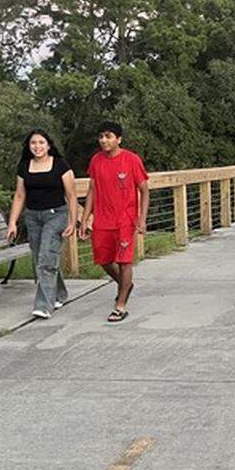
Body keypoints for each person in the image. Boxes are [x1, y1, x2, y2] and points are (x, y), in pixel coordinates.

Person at [78, 121, 149, 322]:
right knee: (104, 260)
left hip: (125, 220)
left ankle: (120, 305)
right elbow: (92, 190)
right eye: (101, 136)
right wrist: (84, 219)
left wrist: (141, 219)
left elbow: (144, 191)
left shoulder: (131, 160)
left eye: (108, 136)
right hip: (102, 220)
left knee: (124, 261)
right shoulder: (96, 161)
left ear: (119, 139)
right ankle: (125, 284)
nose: (103, 140)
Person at [6, 129, 78, 319]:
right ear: (28, 147)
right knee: (42, 258)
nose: (37, 146)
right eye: (33, 143)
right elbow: (20, 195)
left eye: (41, 143)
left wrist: (72, 221)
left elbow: (71, 195)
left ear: (48, 145)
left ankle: (44, 305)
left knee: (46, 257)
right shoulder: (24, 166)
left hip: (56, 216)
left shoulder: (60, 165)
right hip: (33, 217)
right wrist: (12, 222)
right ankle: (60, 294)